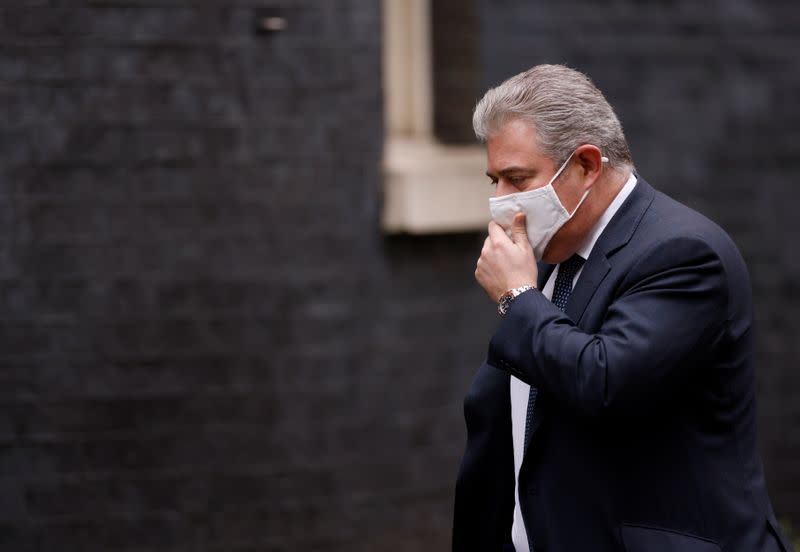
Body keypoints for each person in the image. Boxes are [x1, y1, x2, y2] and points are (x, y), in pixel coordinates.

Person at [452, 64, 793, 552]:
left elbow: (605, 381)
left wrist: (517, 298)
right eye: (494, 180)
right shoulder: (555, 254)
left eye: (517, 178)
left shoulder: (683, 252)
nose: (502, 201)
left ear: (587, 165)